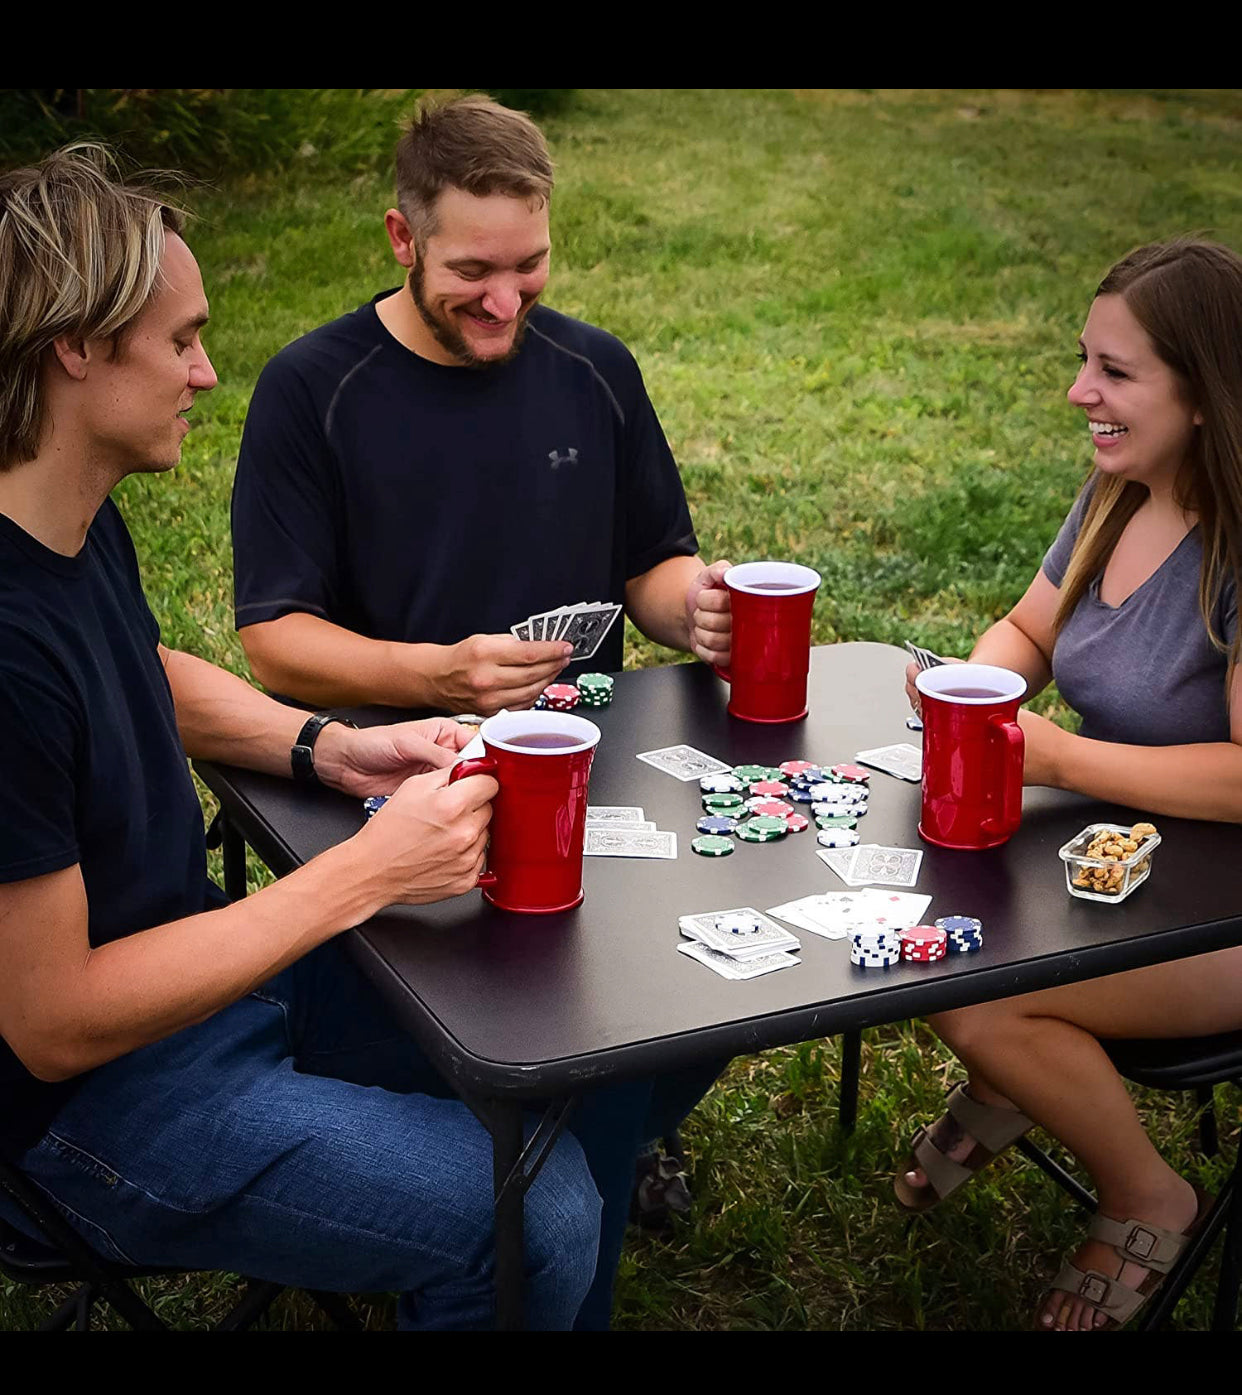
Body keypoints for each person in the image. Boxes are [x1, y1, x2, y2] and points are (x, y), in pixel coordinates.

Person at [0, 142, 690, 1332]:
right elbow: (53, 1023)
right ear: (75, 348)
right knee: (546, 1218)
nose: (208, 373)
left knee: (604, 1018)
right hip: (85, 1115)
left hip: (205, 978)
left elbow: (140, 672)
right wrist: (364, 874)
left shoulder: (65, 516)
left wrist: (331, 748)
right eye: (180, 341)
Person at [893, 239, 1242, 1331]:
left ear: (1206, 393)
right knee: (921, 905)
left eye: (1117, 372)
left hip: (1224, 906)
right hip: (1110, 860)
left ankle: (1148, 1195)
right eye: (1084, 359)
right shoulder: (1117, 491)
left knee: (968, 978)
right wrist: (973, 693)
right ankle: (1016, 1084)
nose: (1079, 391)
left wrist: (1058, 757)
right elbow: (1028, 630)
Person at [229, 93, 733, 715]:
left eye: (529, 264)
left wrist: (695, 610)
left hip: (570, 752)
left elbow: (654, 561)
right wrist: (438, 676)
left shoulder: (598, 368)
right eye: (472, 271)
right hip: (384, 765)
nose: (504, 303)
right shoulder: (309, 388)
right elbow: (273, 641)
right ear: (403, 239)